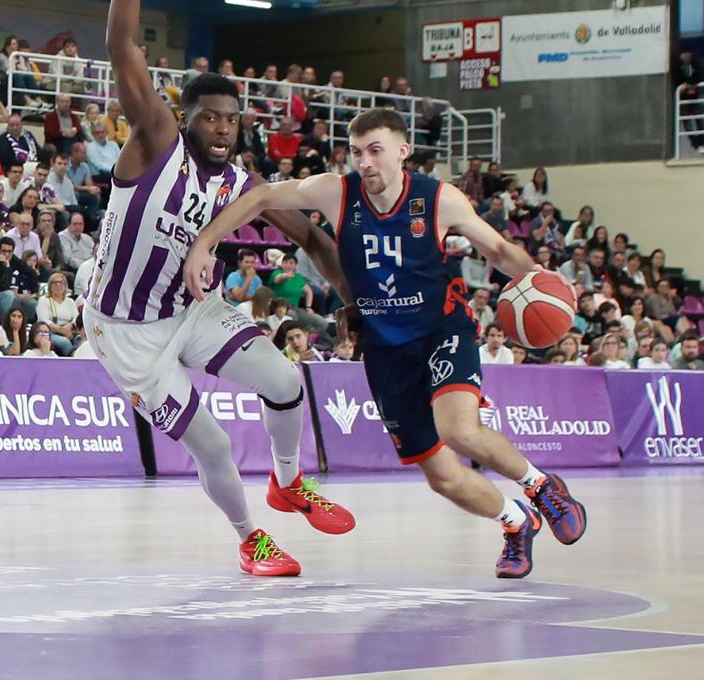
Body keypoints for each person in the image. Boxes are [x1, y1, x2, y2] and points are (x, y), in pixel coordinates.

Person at [188, 107, 587, 580]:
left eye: (376, 151)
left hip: (442, 330)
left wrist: (543, 279)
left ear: (402, 152)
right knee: (442, 478)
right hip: (384, 348)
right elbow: (261, 197)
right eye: (357, 152)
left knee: (459, 429)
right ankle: (516, 521)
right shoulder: (338, 193)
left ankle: (542, 486)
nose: (366, 162)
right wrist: (204, 243)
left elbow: (499, 250)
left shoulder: (440, 199)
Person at [84, 0, 354, 578]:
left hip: (190, 310)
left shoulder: (244, 182)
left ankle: (288, 482)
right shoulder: (155, 138)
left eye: (234, 120)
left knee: (286, 381)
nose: (225, 129)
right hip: (126, 331)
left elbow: (311, 237)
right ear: (188, 116)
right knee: (210, 442)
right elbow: (123, 51)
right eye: (213, 117)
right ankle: (250, 538)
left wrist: (356, 299)